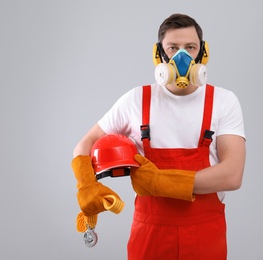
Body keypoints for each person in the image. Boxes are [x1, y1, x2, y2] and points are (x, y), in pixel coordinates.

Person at [72, 13, 246, 259]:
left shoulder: (223, 101)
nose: (182, 57)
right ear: (159, 54)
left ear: (203, 53)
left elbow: (232, 174)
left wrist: (158, 182)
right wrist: (87, 186)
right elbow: (84, 146)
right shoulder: (136, 100)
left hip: (205, 235)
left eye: (190, 47)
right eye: (173, 48)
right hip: (150, 235)